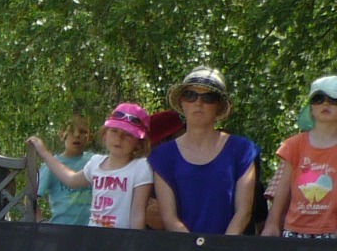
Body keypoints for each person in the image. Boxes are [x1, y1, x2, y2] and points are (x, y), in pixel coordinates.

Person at [148, 67, 260, 235]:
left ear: (219, 105)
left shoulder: (242, 150)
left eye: (209, 97)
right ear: (181, 101)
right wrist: (193, 248)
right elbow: (169, 217)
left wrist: (221, 247)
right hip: (181, 247)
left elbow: (243, 213)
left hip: (230, 247)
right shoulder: (162, 156)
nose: (198, 103)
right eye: (190, 95)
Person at [28, 103, 154, 230]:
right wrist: (44, 153)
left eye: (128, 134)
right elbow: (71, 179)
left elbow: (138, 214)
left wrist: (134, 242)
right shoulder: (95, 162)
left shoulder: (141, 167)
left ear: (139, 143)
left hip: (122, 238)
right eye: (114, 131)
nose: (119, 138)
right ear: (104, 135)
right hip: (92, 236)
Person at [263, 74, 337, 238]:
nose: (325, 103)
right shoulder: (294, 144)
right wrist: (272, 224)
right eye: (318, 99)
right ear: (310, 108)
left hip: (332, 231)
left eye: (333, 100)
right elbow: (283, 188)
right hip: (294, 229)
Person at [31, 113, 95, 225]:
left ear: (89, 136)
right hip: (61, 229)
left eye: (82, 131)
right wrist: (41, 220)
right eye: (71, 130)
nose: (76, 135)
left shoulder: (94, 162)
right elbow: (30, 197)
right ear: (62, 135)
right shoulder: (52, 165)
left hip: (92, 229)